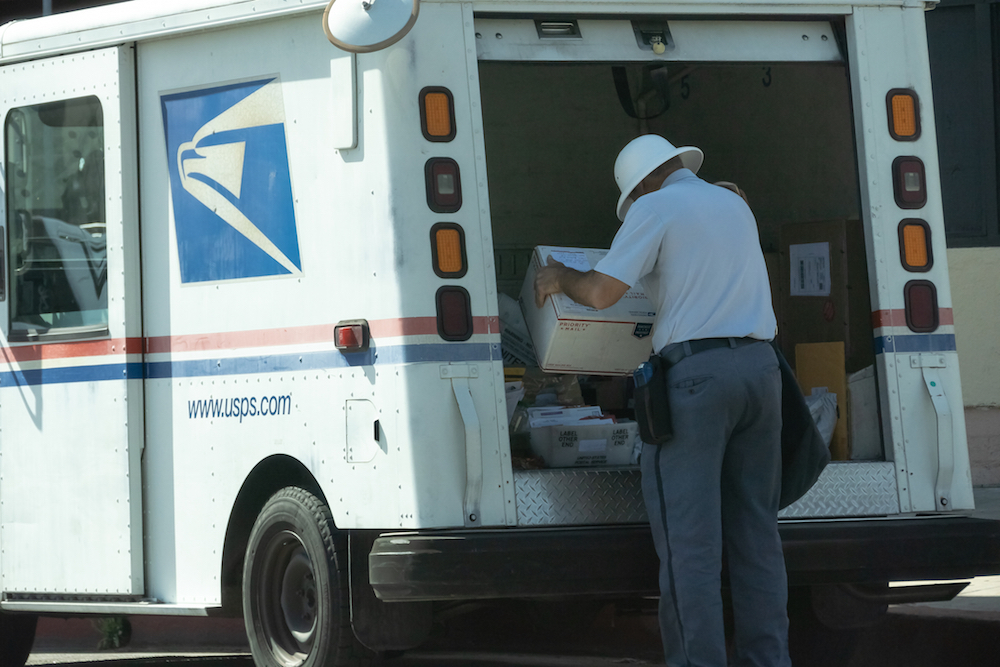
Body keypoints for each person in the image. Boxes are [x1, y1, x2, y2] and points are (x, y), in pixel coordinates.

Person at [533, 134, 791, 667]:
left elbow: (603, 293)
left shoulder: (654, 207)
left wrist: (560, 276)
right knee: (756, 538)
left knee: (689, 547)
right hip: (763, 374)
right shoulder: (735, 204)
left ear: (645, 183)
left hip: (698, 380)